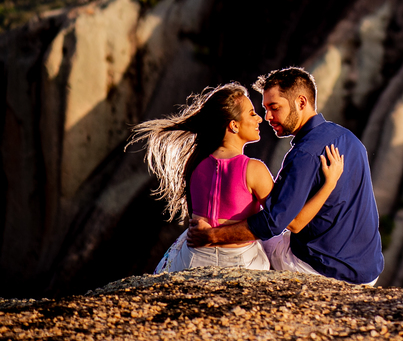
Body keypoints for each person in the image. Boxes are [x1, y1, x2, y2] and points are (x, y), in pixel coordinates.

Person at [187, 67, 385, 286]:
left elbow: (278, 222)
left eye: (274, 107)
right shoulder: (349, 138)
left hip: (321, 270)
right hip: (367, 270)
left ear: (301, 102)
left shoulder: (304, 154)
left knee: (255, 244)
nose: (267, 117)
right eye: (264, 109)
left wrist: (213, 236)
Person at [128, 82, 343, 273]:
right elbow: (289, 221)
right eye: (251, 113)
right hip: (241, 262)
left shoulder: (195, 164)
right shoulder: (253, 169)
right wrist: (329, 184)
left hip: (194, 259)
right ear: (233, 125)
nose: (260, 118)